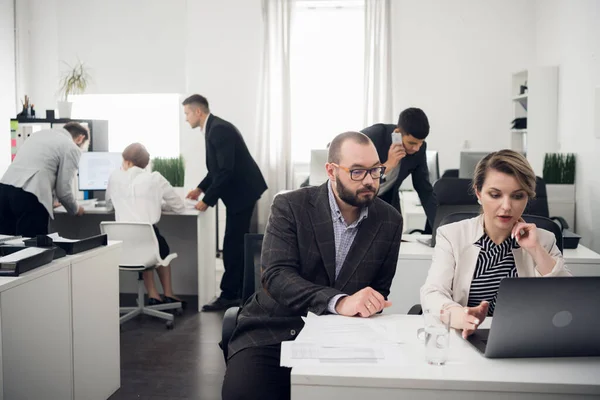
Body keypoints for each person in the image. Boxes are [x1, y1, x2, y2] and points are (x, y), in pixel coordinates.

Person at [222, 131, 403, 400]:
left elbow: (378, 290)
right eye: (357, 172)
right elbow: (276, 276)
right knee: (244, 394)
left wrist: (370, 304)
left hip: (345, 338)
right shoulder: (291, 205)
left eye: (375, 171)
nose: (369, 181)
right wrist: (339, 301)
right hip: (275, 329)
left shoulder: (389, 221)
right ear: (331, 170)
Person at [420, 149, 571, 339]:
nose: (507, 206)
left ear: (528, 197)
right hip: (466, 338)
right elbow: (433, 292)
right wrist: (459, 315)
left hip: (527, 339)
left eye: (517, 196)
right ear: (478, 193)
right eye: (495, 195)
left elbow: (566, 301)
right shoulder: (452, 235)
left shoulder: (545, 240)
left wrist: (535, 250)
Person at [182, 94, 268, 311]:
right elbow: (216, 169)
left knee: (233, 244)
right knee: (234, 242)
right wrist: (200, 189)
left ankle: (230, 295)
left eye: (187, 113)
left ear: (198, 112)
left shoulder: (218, 129)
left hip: (243, 192)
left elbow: (226, 170)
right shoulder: (214, 127)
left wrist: (207, 200)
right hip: (241, 192)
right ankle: (235, 291)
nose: (186, 119)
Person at [106, 143, 186, 306]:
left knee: (146, 243)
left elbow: (109, 205)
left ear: (127, 162)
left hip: (121, 246)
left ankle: (153, 294)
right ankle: (168, 293)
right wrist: (158, 204)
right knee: (157, 246)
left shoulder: (114, 177)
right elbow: (179, 206)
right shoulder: (155, 178)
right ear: (145, 164)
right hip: (148, 242)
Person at [0, 122, 88, 237]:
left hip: (4, 190)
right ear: (80, 138)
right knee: (32, 250)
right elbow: (64, 192)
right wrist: (76, 209)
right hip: (30, 197)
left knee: (7, 247)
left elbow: (39, 167)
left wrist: (49, 200)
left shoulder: (38, 135)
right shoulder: (71, 147)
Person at [361, 108, 435, 226]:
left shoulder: (420, 149)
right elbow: (357, 176)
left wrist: (439, 228)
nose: (416, 148)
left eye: (421, 142)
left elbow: (424, 188)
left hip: (387, 202)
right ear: (398, 133)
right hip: (360, 200)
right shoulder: (372, 137)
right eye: (412, 143)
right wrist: (388, 165)